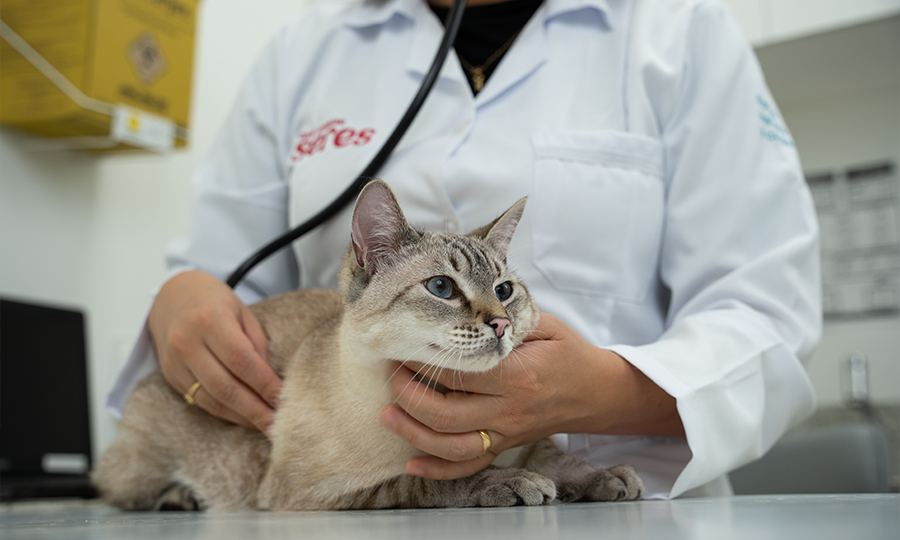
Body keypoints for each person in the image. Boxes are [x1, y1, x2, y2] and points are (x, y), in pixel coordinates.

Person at [107, 0, 822, 499]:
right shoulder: (305, 47)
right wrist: (182, 300)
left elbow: (767, 321)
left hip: (616, 506)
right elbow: (222, 280)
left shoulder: (682, 29)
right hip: (346, 500)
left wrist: (599, 393)